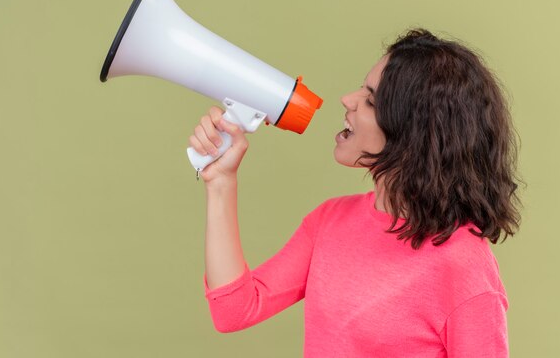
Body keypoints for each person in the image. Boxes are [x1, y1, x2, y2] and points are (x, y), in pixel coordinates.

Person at [189, 29, 522, 357]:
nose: (347, 100)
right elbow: (233, 310)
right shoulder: (329, 221)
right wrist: (220, 183)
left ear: (414, 134)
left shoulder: (463, 265)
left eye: (371, 100)